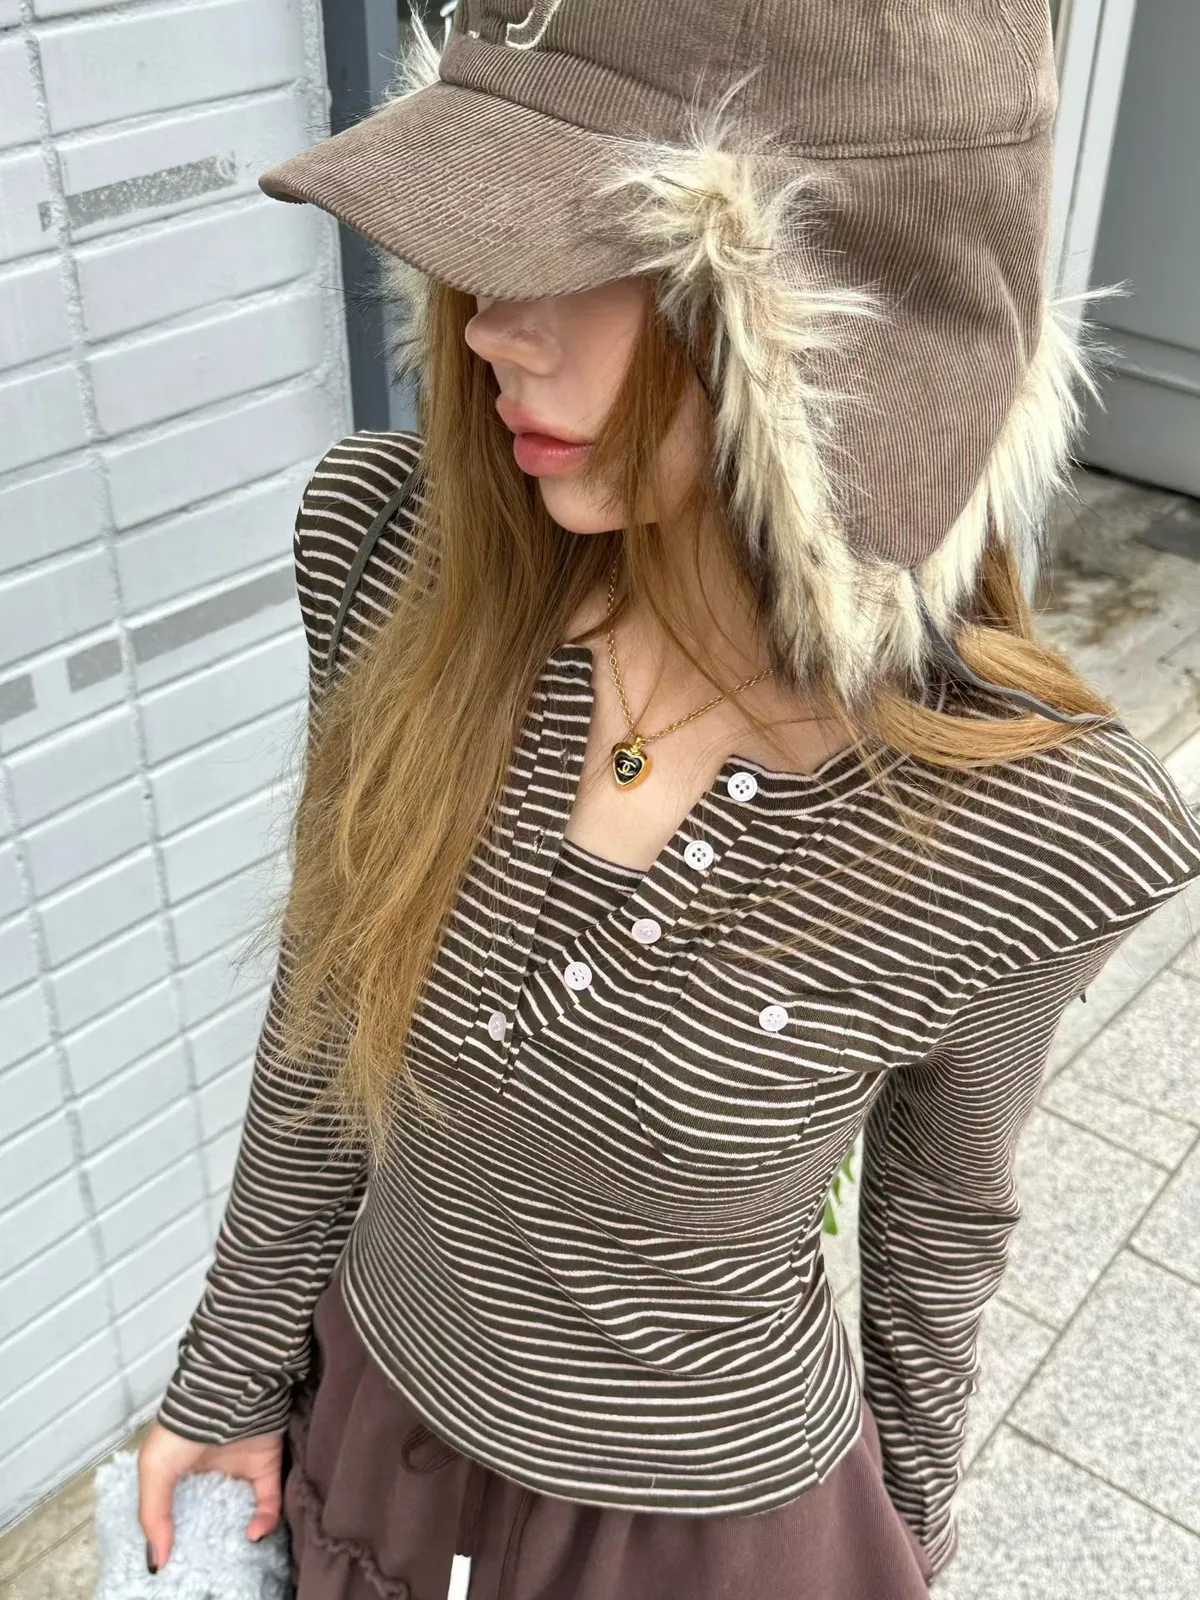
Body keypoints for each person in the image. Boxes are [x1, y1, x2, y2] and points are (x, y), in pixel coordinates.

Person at [137, 3, 1200, 1597]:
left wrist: (907, 1544)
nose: (495, 330)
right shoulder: (398, 568)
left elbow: (938, 1223)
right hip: (368, 1420)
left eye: (597, 251)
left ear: (843, 324)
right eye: (488, 243)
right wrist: (228, 1378)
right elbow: (322, 1023)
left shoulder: (1033, 824)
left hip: (701, 1539)